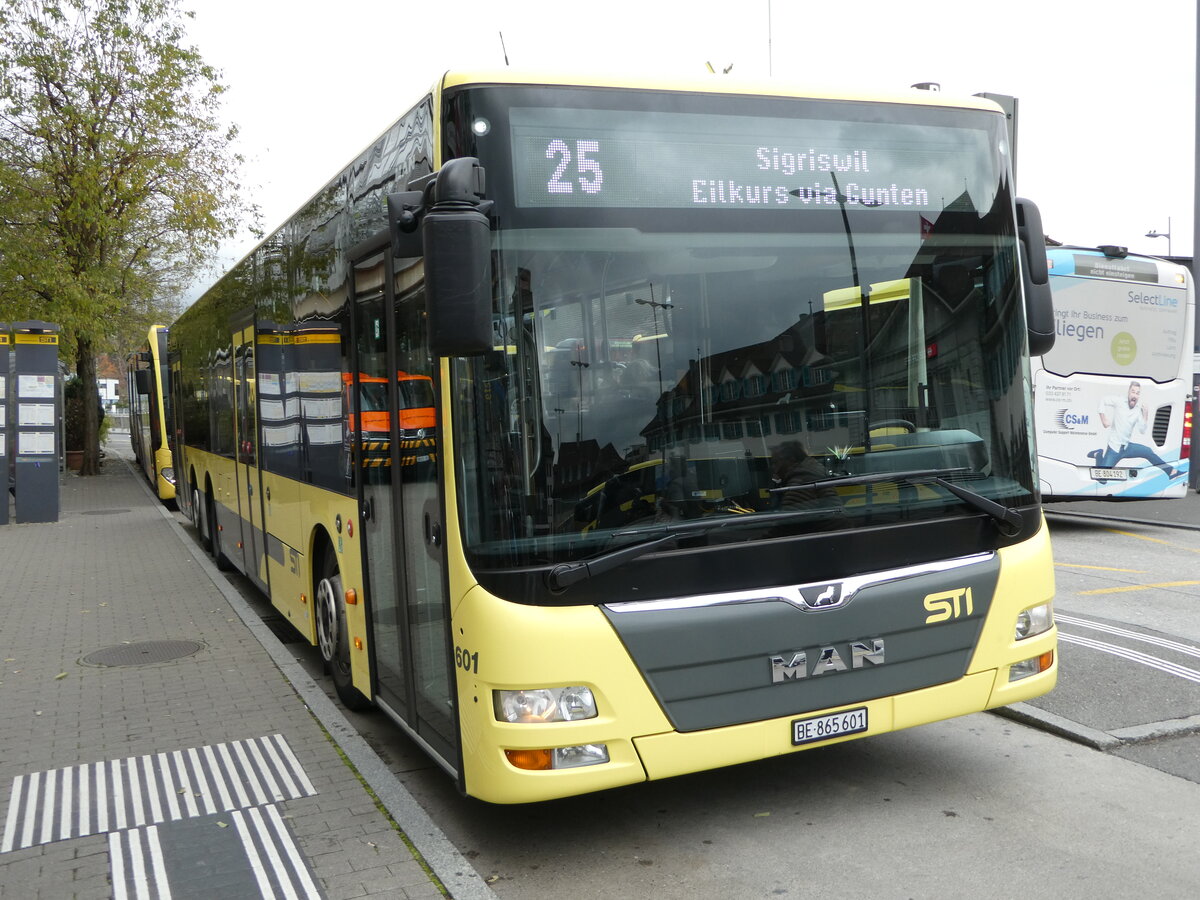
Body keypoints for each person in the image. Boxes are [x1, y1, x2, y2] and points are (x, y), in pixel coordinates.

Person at [1088, 381, 1181, 479]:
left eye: (1137, 393)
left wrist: (1145, 414)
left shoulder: (1137, 410)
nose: (1135, 395)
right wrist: (1103, 419)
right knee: (1101, 479)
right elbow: (1103, 400)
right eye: (1133, 392)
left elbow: (1142, 430)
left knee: (1148, 452)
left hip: (1127, 447)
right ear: (1128, 392)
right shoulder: (1119, 401)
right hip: (1114, 448)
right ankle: (1098, 455)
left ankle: (1171, 472)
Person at [770, 441, 836, 511]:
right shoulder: (814, 472)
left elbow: (790, 518)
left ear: (791, 460)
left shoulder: (800, 483)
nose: (774, 468)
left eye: (776, 462)